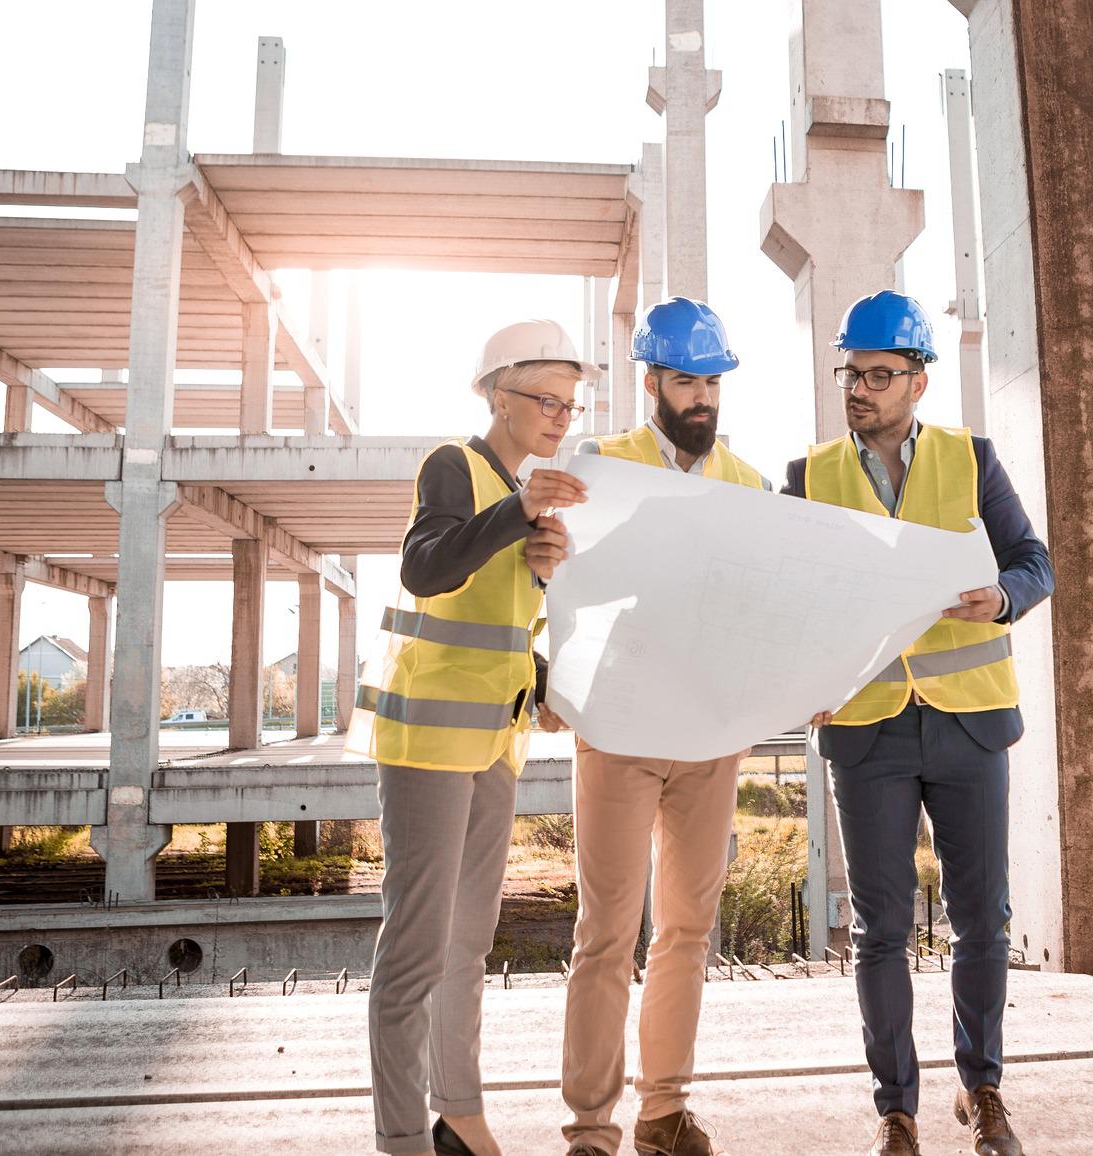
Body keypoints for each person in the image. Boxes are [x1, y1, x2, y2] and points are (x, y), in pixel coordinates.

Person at [782, 291, 1054, 1156]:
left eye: (878, 374)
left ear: (919, 381)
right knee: (882, 930)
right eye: (850, 373)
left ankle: (983, 1091)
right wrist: (802, 678)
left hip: (968, 725)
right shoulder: (809, 476)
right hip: (867, 731)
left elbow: (1033, 562)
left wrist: (1002, 597)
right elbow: (789, 600)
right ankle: (895, 1110)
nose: (858, 389)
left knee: (983, 920)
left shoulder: (971, 460)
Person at [347, 319, 592, 1156]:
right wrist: (516, 514)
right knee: (416, 946)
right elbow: (425, 567)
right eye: (544, 399)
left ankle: (458, 1110)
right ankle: (402, 1137)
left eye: (570, 403)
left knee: (467, 940)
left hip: (495, 741)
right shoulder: (454, 464)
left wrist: (542, 588)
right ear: (497, 393)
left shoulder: (527, 490)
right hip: (427, 741)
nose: (560, 415)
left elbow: (503, 623)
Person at [553, 298, 772, 1156]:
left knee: (685, 931)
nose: (703, 398)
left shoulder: (751, 485)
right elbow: (559, 581)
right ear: (652, 382)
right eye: (686, 380)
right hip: (619, 728)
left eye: (713, 382)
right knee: (605, 932)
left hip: (711, 736)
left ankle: (663, 1111)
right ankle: (591, 1128)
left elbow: (765, 606)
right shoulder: (601, 465)